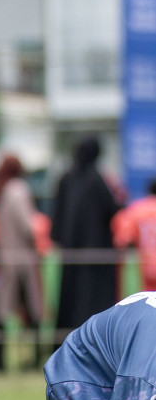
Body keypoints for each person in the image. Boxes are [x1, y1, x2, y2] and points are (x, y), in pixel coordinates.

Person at [53, 136, 122, 338]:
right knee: (95, 300)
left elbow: (57, 216)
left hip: (71, 254)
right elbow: (112, 208)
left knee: (72, 299)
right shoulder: (98, 180)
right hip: (98, 255)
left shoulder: (67, 178)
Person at [0, 154, 46, 367]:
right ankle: (35, 359)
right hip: (23, 260)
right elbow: (28, 225)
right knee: (33, 311)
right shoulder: (18, 189)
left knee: (3, 311)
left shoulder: (2, 190)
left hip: (6, 257)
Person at [113, 180, 156, 295]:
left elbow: (122, 238)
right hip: (146, 263)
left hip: (146, 263)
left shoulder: (137, 209)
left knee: (147, 300)